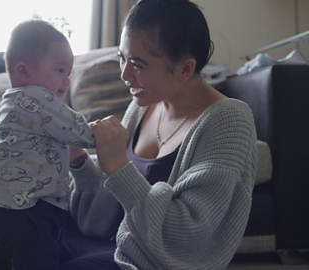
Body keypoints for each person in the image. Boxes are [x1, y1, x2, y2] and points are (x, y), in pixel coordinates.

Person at [57, 0, 258, 269]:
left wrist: (119, 168)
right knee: (20, 239)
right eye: (122, 58)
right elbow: (97, 222)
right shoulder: (144, 106)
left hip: (146, 262)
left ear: (185, 69)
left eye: (138, 64)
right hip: (109, 245)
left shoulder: (228, 120)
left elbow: (187, 237)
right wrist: (79, 160)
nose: (125, 74)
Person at [0, 19, 95, 270]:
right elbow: (76, 130)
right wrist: (105, 135)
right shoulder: (37, 98)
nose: (66, 81)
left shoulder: (14, 100)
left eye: (68, 73)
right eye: (59, 70)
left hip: (1, 207)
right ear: (24, 72)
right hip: (27, 209)